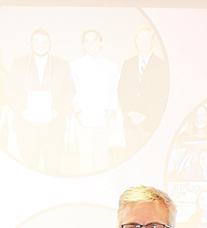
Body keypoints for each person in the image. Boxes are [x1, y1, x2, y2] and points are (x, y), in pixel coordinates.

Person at [6, 29, 75, 173]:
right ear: (31, 44)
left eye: (44, 41)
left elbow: (69, 90)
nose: (40, 45)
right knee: (29, 169)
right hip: (27, 128)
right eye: (36, 41)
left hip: (54, 128)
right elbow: (9, 90)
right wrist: (20, 111)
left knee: (53, 169)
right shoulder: (19, 63)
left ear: (50, 44)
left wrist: (59, 110)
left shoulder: (61, 64)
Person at [70, 29, 120, 173]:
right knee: (84, 159)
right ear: (83, 45)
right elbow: (71, 91)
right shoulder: (74, 66)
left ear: (101, 43)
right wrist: (77, 113)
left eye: (94, 40)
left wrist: (110, 113)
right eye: (87, 40)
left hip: (104, 119)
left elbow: (114, 91)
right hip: (81, 118)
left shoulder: (111, 66)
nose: (91, 44)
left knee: (102, 158)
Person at [117, 26, 170, 154]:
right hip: (131, 124)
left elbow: (162, 95)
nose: (143, 41)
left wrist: (145, 115)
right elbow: (122, 91)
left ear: (152, 41)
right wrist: (131, 113)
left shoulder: (162, 65)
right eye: (140, 38)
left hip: (151, 124)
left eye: (147, 38)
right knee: (132, 161)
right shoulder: (127, 64)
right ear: (136, 42)